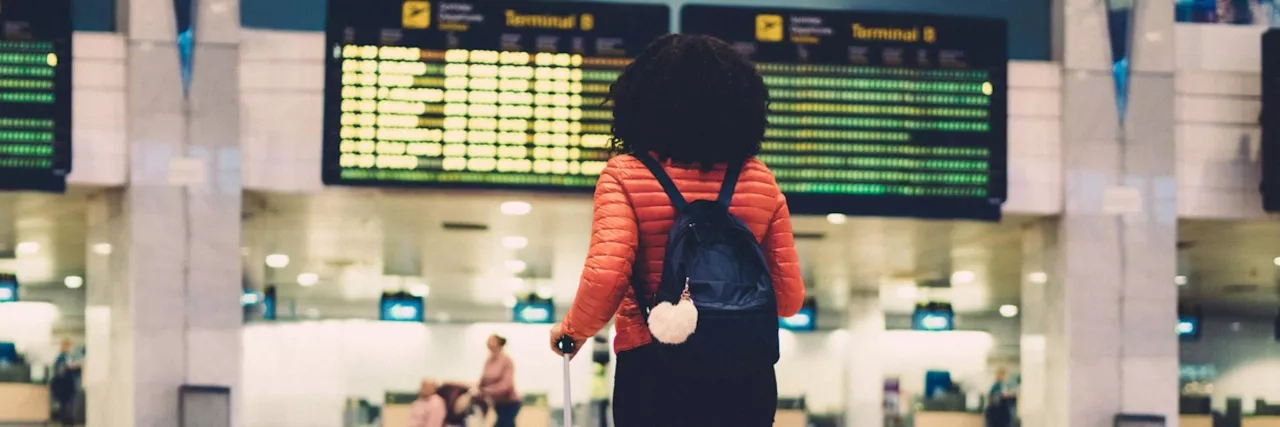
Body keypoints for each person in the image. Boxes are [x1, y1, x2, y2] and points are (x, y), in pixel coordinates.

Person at [547, 34, 806, 427]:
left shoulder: (624, 174)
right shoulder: (760, 180)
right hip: (746, 374)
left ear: (641, 102)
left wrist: (573, 332)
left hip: (654, 367)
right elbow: (788, 300)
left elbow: (606, 275)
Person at [477, 334, 519, 427]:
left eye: (491, 340)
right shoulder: (489, 361)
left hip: (510, 402)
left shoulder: (506, 361)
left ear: (499, 344)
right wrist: (476, 389)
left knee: (502, 424)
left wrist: (487, 391)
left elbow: (507, 385)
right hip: (497, 402)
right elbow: (483, 379)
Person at [50, 338, 81, 427]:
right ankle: (66, 421)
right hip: (64, 386)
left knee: (68, 404)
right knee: (66, 405)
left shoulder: (68, 357)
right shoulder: (61, 358)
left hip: (68, 385)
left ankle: (67, 421)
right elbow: (61, 371)